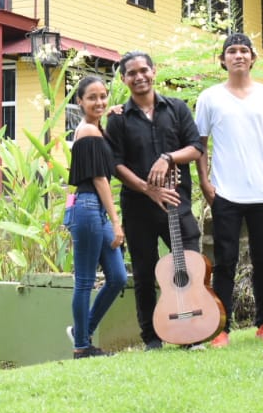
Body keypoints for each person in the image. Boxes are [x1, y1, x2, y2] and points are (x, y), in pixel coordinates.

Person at [105, 51, 204, 351]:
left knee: (189, 267)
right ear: (124, 79)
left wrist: (168, 157)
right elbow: (115, 164)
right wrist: (147, 189)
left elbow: (196, 147)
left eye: (143, 70)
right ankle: (152, 338)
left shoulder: (176, 109)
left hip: (177, 203)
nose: (139, 77)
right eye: (131, 73)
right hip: (139, 208)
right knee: (145, 273)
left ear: (154, 72)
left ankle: (193, 333)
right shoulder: (119, 118)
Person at [194, 33, 263, 346]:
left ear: (252, 58)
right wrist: (205, 181)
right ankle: (221, 327)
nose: (238, 56)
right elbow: (201, 144)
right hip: (226, 193)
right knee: (225, 260)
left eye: (243, 51)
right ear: (223, 60)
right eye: (231, 51)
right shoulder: (209, 98)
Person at [65, 75, 127, 359]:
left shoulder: (94, 129)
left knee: (117, 277)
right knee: (85, 282)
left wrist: (111, 111)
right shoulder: (87, 132)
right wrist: (116, 221)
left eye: (103, 96)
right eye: (92, 97)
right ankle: (81, 346)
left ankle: (82, 331)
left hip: (95, 210)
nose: (99, 102)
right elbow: (101, 178)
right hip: (90, 207)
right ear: (79, 101)